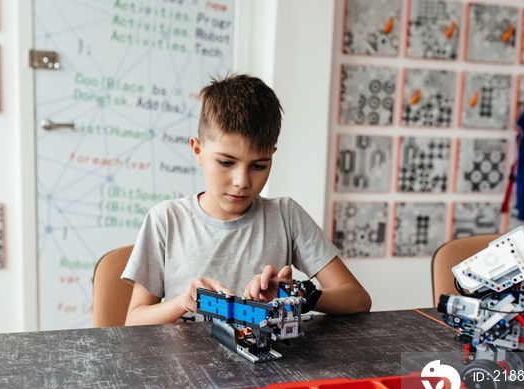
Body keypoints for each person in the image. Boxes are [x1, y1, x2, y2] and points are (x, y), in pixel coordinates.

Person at [122, 73, 371, 325]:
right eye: (226, 162)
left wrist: (295, 294)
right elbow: (133, 321)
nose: (242, 181)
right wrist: (182, 301)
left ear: (272, 156)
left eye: (259, 166)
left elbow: (358, 298)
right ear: (198, 151)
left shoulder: (286, 216)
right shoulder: (165, 220)